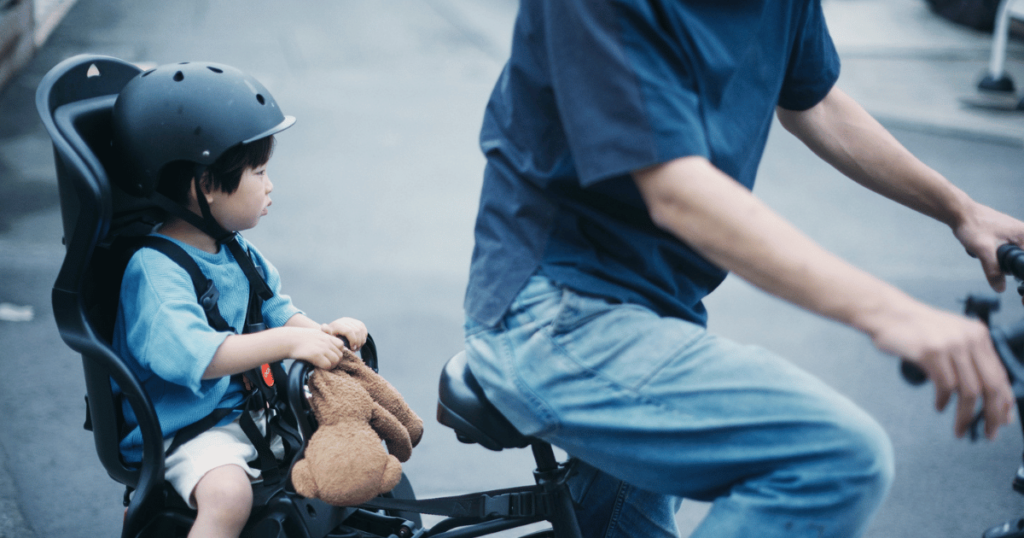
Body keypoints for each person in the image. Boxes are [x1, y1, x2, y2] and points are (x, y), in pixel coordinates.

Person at [462, 1, 1022, 537]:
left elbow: (815, 102)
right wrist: (896, 316)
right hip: (553, 310)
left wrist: (962, 211)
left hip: (660, 313)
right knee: (833, 457)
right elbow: (678, 192)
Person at [110, 62, 367, 538]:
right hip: (185, 429)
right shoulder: (155, 270)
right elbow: (201, 357)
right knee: (230, 498)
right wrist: (288, 344)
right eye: (259, 171)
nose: (269, 186)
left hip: (247, 414)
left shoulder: (232, 246)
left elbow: (276, 309)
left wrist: (323, 334)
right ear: (205, 185)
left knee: (340, 462)